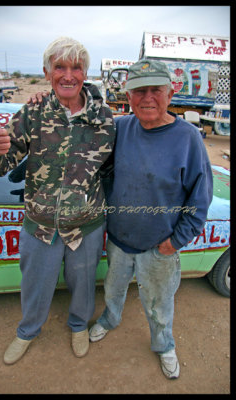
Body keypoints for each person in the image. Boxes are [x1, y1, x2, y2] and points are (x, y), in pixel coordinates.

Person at [0, 36, 116, 365]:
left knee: (83, 283)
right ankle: (27, 331)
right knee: (35, 284)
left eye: (76, 67)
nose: (68, 75)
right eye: (59, 67)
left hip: (86, 225)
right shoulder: (33, 110)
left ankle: (79, 325)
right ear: (46, 72)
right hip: (39, 224)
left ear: (85, 73)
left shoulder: (104, 117)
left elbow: (109, 171)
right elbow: (2, 164)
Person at [88, 59, 213, 379]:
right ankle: (110, 319)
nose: (147, 98)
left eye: (155, 90)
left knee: (159, 303)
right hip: (118, 239)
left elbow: (200, 198)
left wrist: (176, 242)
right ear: (128, 96)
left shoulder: (188, 138)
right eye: (138, 91)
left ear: (170, 93)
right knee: (113, 289)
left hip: (160, 246)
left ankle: (164, 344)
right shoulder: (120, 127)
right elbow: (83, 143)